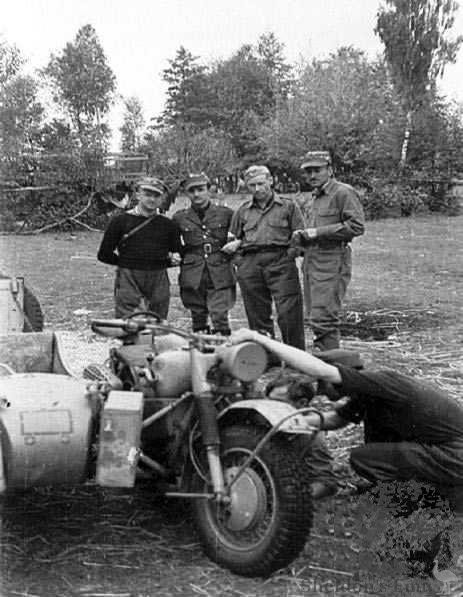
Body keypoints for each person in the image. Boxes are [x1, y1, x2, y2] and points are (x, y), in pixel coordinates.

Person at [230, 328, 463, 514]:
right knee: (376, 453)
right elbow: (333, 420)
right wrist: (283, 419)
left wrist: (257, 338)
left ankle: (429, 501)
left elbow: (322, 370)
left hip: (454, 454)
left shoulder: (381, 382)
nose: (321, 391)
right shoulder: (369, 395)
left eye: (323, 384)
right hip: (445, 454)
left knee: (364, 458)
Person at [224, 165, 305, 350]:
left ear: (271, 181)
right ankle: (267, 355)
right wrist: (240, 262)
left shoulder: (288, 206)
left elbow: (299, 235)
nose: (257, 189)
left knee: (288, 311)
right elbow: (231, 239)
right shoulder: (242, 211)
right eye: (252, 185)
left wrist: (290, 255)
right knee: (257, 312)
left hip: (280, 261)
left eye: (261, 183)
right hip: (250, 263)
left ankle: (295, 354)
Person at [293, 151, 365, 351]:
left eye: (317, 170)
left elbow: (357, 226)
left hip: (332, 260)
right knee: (315, 316)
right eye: (308, 172)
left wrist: (317, 232)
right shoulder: (314, 196)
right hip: (312, 261)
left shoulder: (343, 192)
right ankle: (324, 360)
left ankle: (334, 370)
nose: (312, 176)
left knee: (325, 317)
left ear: (330, 170)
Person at [97, 176, 182, 319]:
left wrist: (173, 258)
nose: (152, 199)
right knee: (130, 323)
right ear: (138, 195)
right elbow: (104, 254)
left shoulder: (168, 225)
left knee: (158, 321)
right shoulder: (120, 222)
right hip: (129, 277)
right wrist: (126, 263)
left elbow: (177, 251)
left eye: (156, 196)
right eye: (148, 194)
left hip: (158, 278)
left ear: (162, 199)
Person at [173, 173, 235, 335]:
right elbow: (174, 245)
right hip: (193, 270)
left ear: (209, 190)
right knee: (197, 315)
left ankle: (224, 350)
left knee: (220, 314)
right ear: (187, 194)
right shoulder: (180, 217)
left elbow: (239, 239)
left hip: (219, 268)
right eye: (192, 191)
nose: (196, 194)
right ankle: (201, 354)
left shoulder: (226, 214)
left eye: (200, 189)